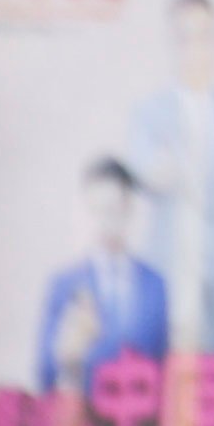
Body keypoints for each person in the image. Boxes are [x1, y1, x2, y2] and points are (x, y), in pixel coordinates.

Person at [126, 0, 214, 352]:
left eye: (206, 37)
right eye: (185, 39)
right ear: (171, 45)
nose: (197, 50)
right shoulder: (148, 114)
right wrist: (165, 170)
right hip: (170, 270)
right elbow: (147, 173)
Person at [40, 157, 172, 394]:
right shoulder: (63, 285)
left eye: (112, 210)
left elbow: (164, 366)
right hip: (83, 421)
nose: (104, 223)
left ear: (129, 209)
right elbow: (44, 375)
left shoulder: (155, 285)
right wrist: (67, 351)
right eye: (95, 211)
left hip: (140, 422)